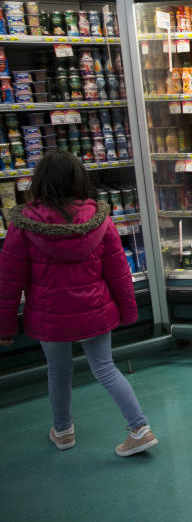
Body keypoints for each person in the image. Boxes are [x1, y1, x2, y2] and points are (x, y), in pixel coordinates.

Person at [0, 150, 157, 457]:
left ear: (39, 182)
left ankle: (63, 432)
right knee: (106, 368)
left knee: (58, 372)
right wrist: (128, 311)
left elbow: (8, 282)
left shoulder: (25, 225)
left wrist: (5, 326)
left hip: (50, 315)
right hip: (94, 311)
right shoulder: (99, 220)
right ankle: (140, 429)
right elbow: (119, 272)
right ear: (79, 179)